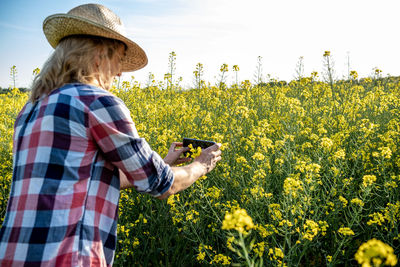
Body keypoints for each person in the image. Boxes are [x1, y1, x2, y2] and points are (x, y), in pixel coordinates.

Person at [0, 4, 222, 266]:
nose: (119, 73)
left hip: (13, 256)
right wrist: (201, 165)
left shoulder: (31, 108)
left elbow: (80, 176)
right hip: (67, 257)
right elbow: (164, 186)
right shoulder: (96, 101)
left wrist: (163, 161)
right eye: (118, 59)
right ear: (98, 56)